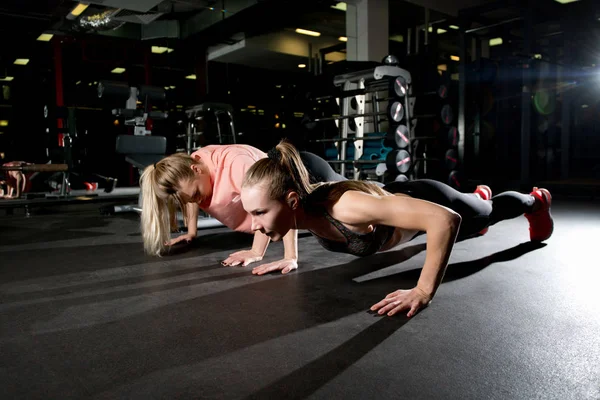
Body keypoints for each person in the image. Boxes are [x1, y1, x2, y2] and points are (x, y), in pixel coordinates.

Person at [240, 141, 554, 318]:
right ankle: (474, 198)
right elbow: (279, 216)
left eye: (258, 213)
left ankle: (535, 201)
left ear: (292, 200)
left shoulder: (344, 208)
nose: (254, 225)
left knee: (484, 214)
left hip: (427, 198)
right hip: (389, 199)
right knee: (470, 223)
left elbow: (445, 221)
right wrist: (286, 255)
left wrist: (422, 291)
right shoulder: (297, 208)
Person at [139, 144, 347, 274]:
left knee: (355, 207)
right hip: (286, 195)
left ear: (196, 170)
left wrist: (285, 256)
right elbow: (191, 198)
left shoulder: (235, 166)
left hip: (311, 178)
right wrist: (191, 231)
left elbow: (281, 201)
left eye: (195, 194)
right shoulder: (194, 163)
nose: (195, 200)